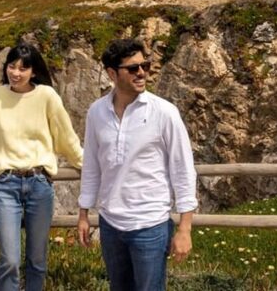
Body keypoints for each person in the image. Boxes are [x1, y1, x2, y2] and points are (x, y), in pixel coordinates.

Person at [0, 42, 83, 291]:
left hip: (40, 183)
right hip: (6, 184)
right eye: (11, 66)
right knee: (9, 260)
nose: (16, 72)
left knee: (37, 259)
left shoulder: (46, 96)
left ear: (34, 71)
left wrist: (85, 163)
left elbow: (66, 136)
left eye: (23, 68)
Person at [77, 39, 197, 291]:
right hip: (110, 224)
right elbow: (91, 166)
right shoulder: (96, 112)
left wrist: (185, 228)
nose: (142, 72)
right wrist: (83, 214)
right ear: (112, 73)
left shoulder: (165, 112)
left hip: (150, 225)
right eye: (132, 68)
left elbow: (183, 170)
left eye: (145, 65)